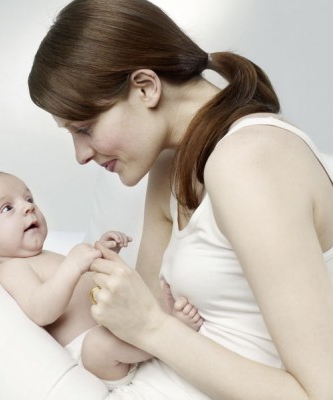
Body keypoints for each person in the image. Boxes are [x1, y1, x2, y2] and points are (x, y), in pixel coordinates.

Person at [26, 0, 333, 398]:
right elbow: (141, 321)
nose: (80, 155)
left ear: (145, 87)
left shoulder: (249, 162)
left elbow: (320, 392)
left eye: (84, 128)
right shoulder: (169, 165)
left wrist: (151, 327)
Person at [0, 168, 202, 387]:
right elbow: (40, 310)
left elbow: (85, 287)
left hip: (115, 329)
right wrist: (73, 265)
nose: (28, 207)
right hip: (89, 356)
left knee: (141, 294)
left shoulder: (42, 256)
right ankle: (167, 338)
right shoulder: (10, 269)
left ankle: (160, 322)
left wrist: (103, 253)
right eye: (7, 208)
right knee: (98, 344)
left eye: (28, 198)